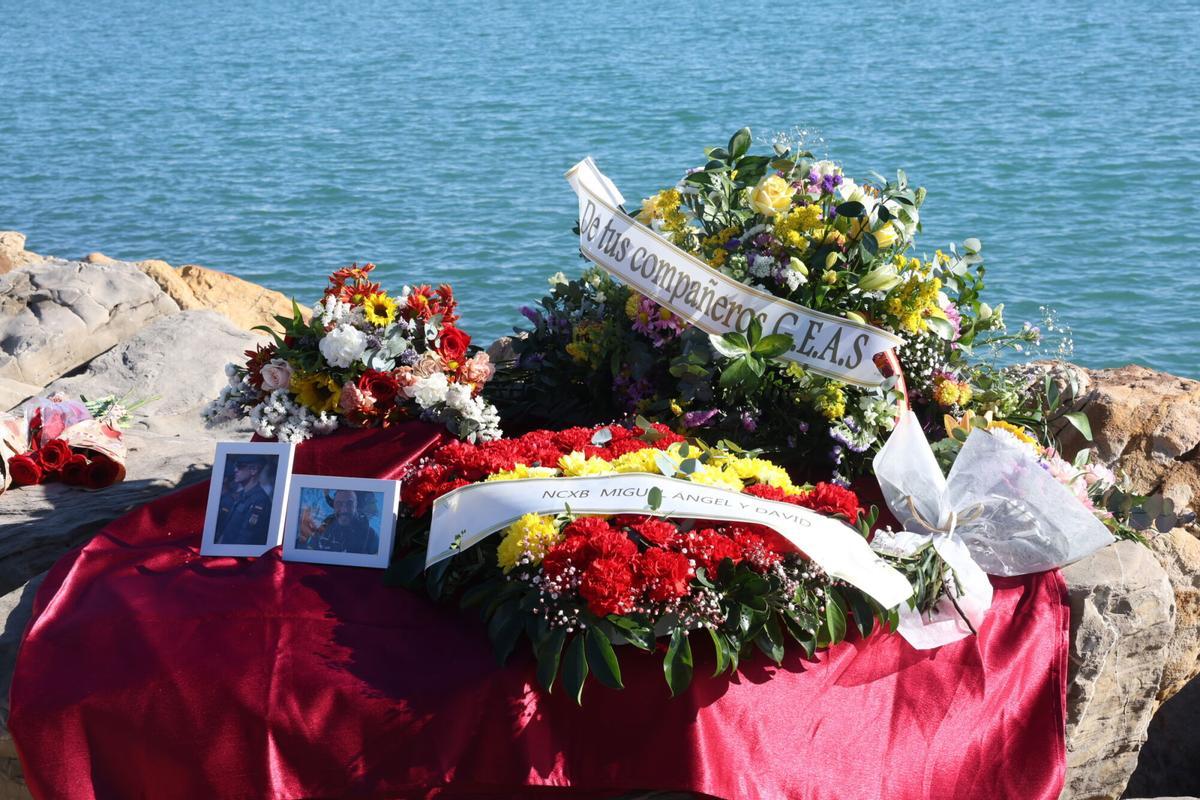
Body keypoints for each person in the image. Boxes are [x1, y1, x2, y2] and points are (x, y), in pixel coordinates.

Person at [213, 454, 274, 545]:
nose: (235, 470)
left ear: (253, 470)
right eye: (235, 466)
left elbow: (246, 538)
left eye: (240, 467)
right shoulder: (241, 494)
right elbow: (225, 530)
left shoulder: (259, 501)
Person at [306, 490, 378, 554]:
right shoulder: (327, 522)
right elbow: (311, 547)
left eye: (350, 504)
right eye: (338, 504)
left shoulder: (371, 536)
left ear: (356, 505)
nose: (344, 510)